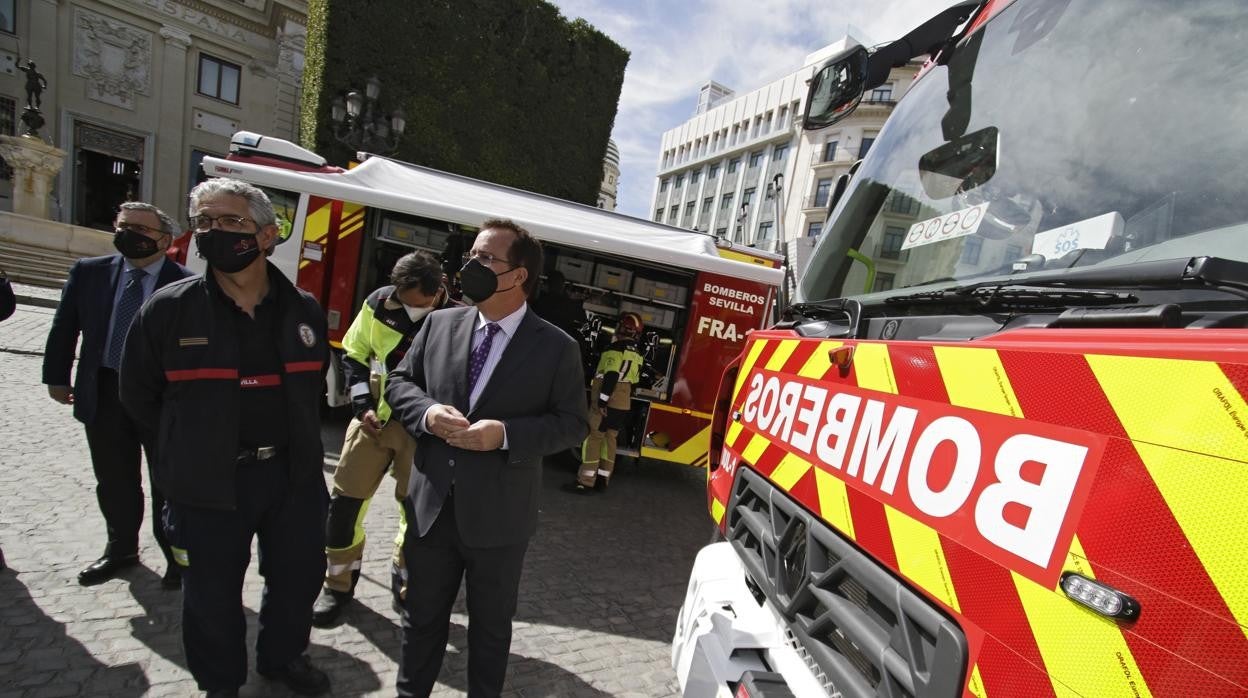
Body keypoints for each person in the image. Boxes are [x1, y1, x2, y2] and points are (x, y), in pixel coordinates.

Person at [119, 178, 331, 697]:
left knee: (298, 580)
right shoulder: (169, 310)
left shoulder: (303, 309)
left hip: (292, 479)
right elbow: (138, 395)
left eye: (231, 221)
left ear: (267, 235)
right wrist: (190, 445)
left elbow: (312, 390)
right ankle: (220, 684)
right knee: (210, 596)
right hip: (206, 486)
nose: (215, 231)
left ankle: (283, 657)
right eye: (205, 222)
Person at [385, 219, 588, 697]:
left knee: (490, 633)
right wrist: (428, 413)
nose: (470, 265)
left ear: (518, 276)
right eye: (471, 255)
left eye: (485, 258)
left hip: (500, 520)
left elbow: (572, 424)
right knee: (420, 620)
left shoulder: (557, 348)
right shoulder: (440, 323)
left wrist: (506, 435)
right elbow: (399, 382)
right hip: (431, 509)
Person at [42, 202, 192, 588]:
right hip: (105, 389)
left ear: (164, 240)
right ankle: (121, 548)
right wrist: (57, 377)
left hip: (160, 399)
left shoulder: (187, 285)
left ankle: (176, 556)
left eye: (141, 229)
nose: (129, 234)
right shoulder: (89, 272)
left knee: (167, 482)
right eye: (124, 226)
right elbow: (64, 326)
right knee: (113, 478)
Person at [311, 251, 458, 627]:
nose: (407, 308)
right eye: (402, 300)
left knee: (416, 519)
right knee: (343, 508)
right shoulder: (379, 302)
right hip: (372, 423)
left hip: (421, 433)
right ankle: (337, 586)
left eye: (416, 303)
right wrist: (362, 405)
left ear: (436, 292)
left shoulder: (457, 320)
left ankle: (406, 587)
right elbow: (355, 353)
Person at [564, 311, 646, 494]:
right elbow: (634, 382)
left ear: (621, 329)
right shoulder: (637, 354)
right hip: (623, 404)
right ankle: (603, 480)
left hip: (608, 402)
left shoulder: (614, 349)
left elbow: (611, 375)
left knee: (593, 439)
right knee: (610, 440)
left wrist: (602, 402)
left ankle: (585, 482)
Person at [531, 269, 585, 339]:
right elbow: (582, 319)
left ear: (547, 284)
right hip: (558, 340)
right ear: (563, 285)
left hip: (539, 338)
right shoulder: (569, 305)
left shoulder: (539, 301)